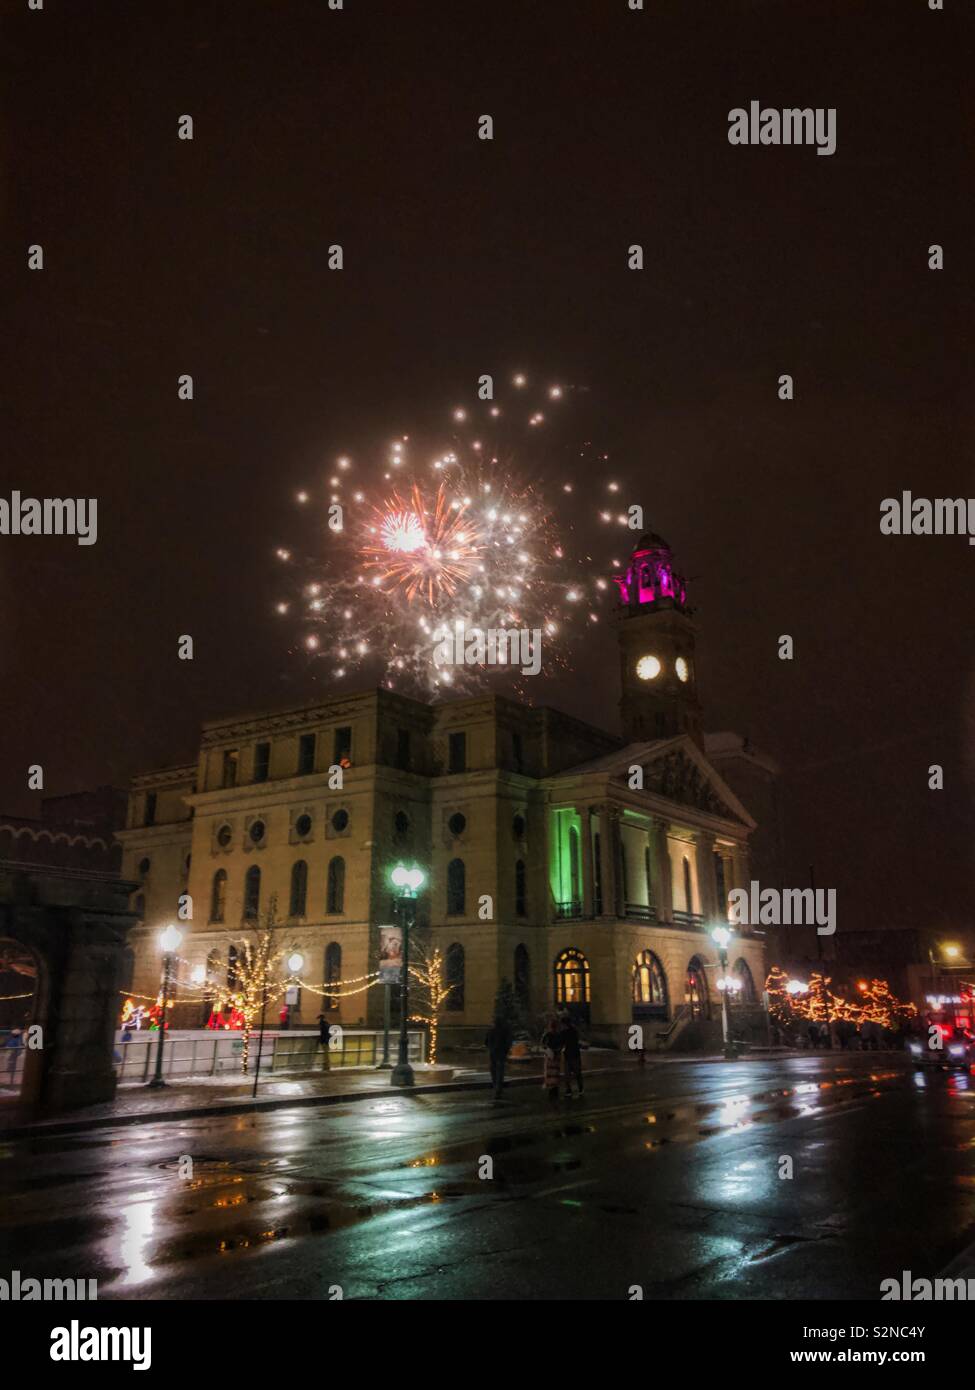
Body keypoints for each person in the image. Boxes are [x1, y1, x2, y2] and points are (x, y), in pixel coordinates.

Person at [485, 1015, 513, 1100]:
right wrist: (506, 1050)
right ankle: (498, 1088)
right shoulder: (504, 1030)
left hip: (493, 1053)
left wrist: (491, 1047)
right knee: (500, 1071)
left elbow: (486, 1042)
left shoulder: (490, 1031)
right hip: (501, 1053)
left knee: (494, 1070)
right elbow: (508, 1042)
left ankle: (496, 1087)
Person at [541, 1015, 563, 1101]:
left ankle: (551, 1088)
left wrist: (548, 1049)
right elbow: (561, 1044)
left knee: (550, 1073)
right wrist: (557, 1049)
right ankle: (554, 1088)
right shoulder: (557, 1034)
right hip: (556, 1055)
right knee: (555, 1073)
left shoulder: (548, 1034)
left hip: (550, 1056)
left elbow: (543, 1044)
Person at [561, 1014, 584, 1097]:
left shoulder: (568, 1032)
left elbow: (563, 1042)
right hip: (573, 1054)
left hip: (571, 1054)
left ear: (564, 1024)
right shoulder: (573, 1031)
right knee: (574, 1073)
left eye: (562, 1024)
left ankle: (571, 1089)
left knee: (572, 1073)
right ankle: (577, 1088)